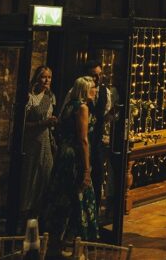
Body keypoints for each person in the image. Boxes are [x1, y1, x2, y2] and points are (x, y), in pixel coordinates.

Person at [41, 76, 98, 253]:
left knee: (62, 195)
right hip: (74, 156)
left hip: (63, 154)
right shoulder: (81, 108)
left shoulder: (68, 106)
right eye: (93, 88)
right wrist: (87, 169)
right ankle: (75, 244)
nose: (95, 91)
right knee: (79, 196)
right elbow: (83, 140)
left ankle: (57, 241)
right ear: (85, 90)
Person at [20, 66, 57, 218]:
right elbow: (22, 124)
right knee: (31, 175)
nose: (47, 80)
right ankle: (25, 211)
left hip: (46, 140)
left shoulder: (50, 96)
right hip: (32, 141)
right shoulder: (30, 97)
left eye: (49, 77)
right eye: (44, 77)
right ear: (37, 78)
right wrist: (42, 123)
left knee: (45, 173)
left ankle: (40, 211)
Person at [83, 61, 111, 208]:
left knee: (98, 173)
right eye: (94, 75)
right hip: (83, 137)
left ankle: (96, 206)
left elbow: (106, 114)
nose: (97, 78)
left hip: (97, 138)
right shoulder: (79, 92)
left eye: (99, 74)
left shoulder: (105, 92)